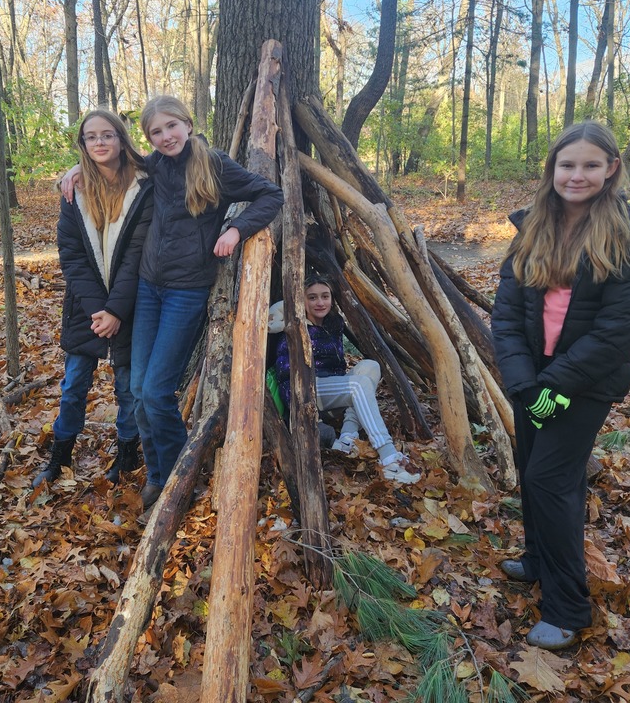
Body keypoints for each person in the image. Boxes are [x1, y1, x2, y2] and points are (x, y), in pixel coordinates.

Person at [61, 95, 283, 514]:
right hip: (147, 289)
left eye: (171, 127)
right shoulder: (155, 166)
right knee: (140, 389)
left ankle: (180, 476)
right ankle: (159, 475)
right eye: (155, 132)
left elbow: (270, 195)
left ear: (188, 123)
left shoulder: (213, 164)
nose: (165, 137)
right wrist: (76, 168)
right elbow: (114, 164)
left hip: (186, 292)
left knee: (158, 391)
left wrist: (236, 230)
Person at [490, 121, 630, 650]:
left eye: (590, 165)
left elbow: (619, 329)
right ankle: (539, 558)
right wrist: (522, 380)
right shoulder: (534, 225)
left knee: (550, 479)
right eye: (568, 165)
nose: (577, 175)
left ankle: (567, 609)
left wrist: (559, 385)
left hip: (584, 383)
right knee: (530, 468)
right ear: (553, 169)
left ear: (611, 169)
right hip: (533, 376)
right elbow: (506, 312)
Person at [34, 109, 153, 488]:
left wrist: (116, 309)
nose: (99, 143)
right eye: (91, 137)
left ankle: (127, 452)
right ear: (83, 144)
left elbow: (137, 255)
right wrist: (98, 309)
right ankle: (60, 455)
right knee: (73, 386)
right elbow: (70, 255)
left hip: (129, 304)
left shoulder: (144, 187)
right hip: (85, 307)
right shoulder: (75, 191)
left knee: (127, 387)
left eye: (107, 135)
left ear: (121, 139)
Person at [272, 274, 421, 485]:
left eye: (325, 296)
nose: (320, 302)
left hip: (332, 387)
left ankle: (347, 438)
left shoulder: (333, 323)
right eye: (312, 297)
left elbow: (339, 365)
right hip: (305, 391)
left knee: (370, 367)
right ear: (301, 301)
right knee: (357, 386)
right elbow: (286, 372)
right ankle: (388, 456)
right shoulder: (293, 326)